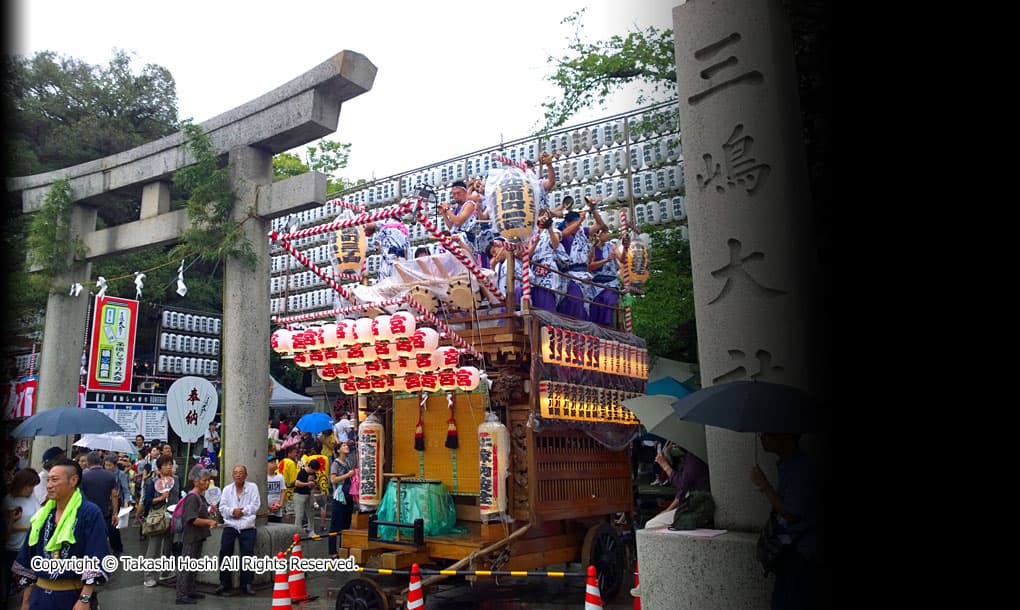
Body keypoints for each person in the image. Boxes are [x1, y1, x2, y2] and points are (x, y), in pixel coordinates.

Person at [12, 458, 111, 610]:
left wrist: (84, 599)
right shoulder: (43, 514)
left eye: (55, 480)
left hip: (72, 597)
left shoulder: (89, 513)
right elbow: (29, 557)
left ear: (73, 480)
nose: (49, 485)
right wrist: (26, 602)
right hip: (40, 597)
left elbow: (96, 556)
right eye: (48, 480)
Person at [751, 433, 819, 610]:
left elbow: (791, 514)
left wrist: (764, 485)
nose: (762, 436)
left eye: (769, 432)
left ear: (787, 436)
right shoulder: (787, 465)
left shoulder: (801, 469)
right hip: (790, 554)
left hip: (800, 554)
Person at [557, 201, 607, 320]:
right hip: (570, 274)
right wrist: (580, 220)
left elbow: (600, 224)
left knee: (584, 304)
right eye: (574, 223)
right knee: (574, 299)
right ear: (568, 224)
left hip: (585, 274)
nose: (577, 226)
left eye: (578, 223)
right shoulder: (563, 234)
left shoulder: (583, 233)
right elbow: (565, 232)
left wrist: (593, 210)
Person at [216, 465, 260, 597]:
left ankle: (247, 583)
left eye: (241, 473)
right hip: (230, 524)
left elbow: (256, 505)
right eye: (235, 473)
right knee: (225, 551)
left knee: (248, 553)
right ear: (232, 475)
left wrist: (242, 511)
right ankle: (224, 582)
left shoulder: (253, 488)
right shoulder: (227, 489)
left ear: (246, 475)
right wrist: (232, 512)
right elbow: (222, 507)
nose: (238, 475)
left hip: (247, 525)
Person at [176, 466, 217, 605]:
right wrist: (209, 521)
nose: (207, 483)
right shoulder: (193, 497)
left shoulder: (200, 497)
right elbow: (192, 519)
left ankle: (190, 589)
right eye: (204, 480)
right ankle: (181, 594)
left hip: (197, 536)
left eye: (208, 480)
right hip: (191, 536)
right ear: (196, 481)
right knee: (187, 565)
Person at [642, 445, 710, 529]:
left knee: (651, 525)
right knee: (655, 521)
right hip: (691, 505)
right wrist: (666, 510)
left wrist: (664, 464)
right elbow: (681, 493)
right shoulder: (691, 456)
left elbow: (681, 483)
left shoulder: (694, 457)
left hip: (698, 508)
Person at [2, 468, 40, 598]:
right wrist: (26, 528)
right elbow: (6, 527)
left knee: (29, 580)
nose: (32, 489)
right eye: (30, 486)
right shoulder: (8, 501)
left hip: (29, 546)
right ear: (21, 484)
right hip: (12, 548)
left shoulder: (32, 498)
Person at [79, 450, 122, 556]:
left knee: (90, 536)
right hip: (106, 511)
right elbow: (114, 495)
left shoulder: (83, 477)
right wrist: (115, 513)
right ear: (101, 461)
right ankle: (111, 553)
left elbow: (79, 496)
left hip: (88, 512)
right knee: (105, 534)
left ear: (88, 462)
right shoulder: (110, 476)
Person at [142, 455, 175, 587]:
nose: (169, 467)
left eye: (170, 464)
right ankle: (149, 576)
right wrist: (161, 498)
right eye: (166, 465)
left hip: (172, 516)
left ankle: (165, 572)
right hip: (157, 518)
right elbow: (147, 501)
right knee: (154, 547)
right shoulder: (153, 482)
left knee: (168, 546)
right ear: (160, 468)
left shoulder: (176, 480)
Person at [526, 207, 567, 312]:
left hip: (548, 266)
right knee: (537, 297)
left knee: (547, 295)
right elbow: (528, 254)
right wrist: (535, 242)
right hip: (535, 269)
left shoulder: (555, 231)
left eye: (544, 215)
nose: (542, 218)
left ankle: (549, 325)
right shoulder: (533, 235)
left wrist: (549, 228)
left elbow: (555, 244)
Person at [587, 226, 622, 327]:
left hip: (611, 282)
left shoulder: (612, 246)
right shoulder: (591, 248)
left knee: (609, 300)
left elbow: (622, 259)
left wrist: (626, 247)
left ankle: (607, 326)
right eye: (605, 233)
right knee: (595, 307)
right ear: (599, 234)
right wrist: (606, 260)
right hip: (595, 284)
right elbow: (589, 267)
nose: (608, 235)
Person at [327, 440, 357, 559]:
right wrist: (348, 475)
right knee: (335, 525)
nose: (346, 447)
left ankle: (343, 549)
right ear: (338, 450)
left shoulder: (348, 462)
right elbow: (333, 480)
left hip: (348, 495)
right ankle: (332, 551)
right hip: (339, 497)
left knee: (346, 524)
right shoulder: (335, 464)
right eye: (343, 446)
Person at [438, 180, 479, 254]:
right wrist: (444, 214)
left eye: (458, 193)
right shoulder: (457, 208)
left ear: (465, 193)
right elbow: (451, 227)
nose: (456, 196)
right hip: (456, 240)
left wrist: (447, 209)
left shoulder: (469, 204)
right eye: (454, 194)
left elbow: (458, 222)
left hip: (467, 241)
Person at [293, 459, 320, 536]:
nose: (314, 472)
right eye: (314, 470)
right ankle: (297, 532)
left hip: (308, 495)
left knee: (311, 513)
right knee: (299, 515)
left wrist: (315, 482)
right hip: (299, 495)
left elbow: (314, 481)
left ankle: (311, 530)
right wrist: (308, 483)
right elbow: (297, 483)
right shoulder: (302, 472)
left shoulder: (313, 473)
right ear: (310, 467)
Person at [279, 444, 301, 518]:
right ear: (289, 453)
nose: (296, 454)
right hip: (289, 492)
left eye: (296, 452)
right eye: (294, 452)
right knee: (290, 513)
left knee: (281, 512)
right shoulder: (291, 463)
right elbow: (293, 480)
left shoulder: (282, 461)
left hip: (281, 491)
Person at [266, 456, 284, 524]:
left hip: (277, 510)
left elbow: (283, 491)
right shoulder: (264, 477)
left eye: (275, 462)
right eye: (271, 462)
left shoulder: (280, 477)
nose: (274, 464)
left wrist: (280, 505)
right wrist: (268, 506)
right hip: (266, 510)